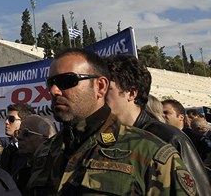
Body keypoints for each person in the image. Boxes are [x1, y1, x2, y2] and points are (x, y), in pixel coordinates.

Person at [26, 48, 197, 195]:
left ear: (100, 86)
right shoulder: (45, 153)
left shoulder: (151, 153)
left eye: (66, 81)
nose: (55, 90)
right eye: (51, 83)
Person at [106, 54, 211, 196]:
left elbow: (200, 191)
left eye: (107, 88)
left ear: (131, 93)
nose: (99, 94)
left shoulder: (169, 138)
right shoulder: (107, 136)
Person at [14, 114, 55, 193]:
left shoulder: (55, 166)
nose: (19, 137)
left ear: (45, 137)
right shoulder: (21, 171)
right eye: (19, 132)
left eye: (26, 133)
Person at [0, 103, 34, 180]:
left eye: (11, 119)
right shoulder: (7, 150)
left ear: (24, 122)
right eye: (6, 118)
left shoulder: (32, 151)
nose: (6, 122)